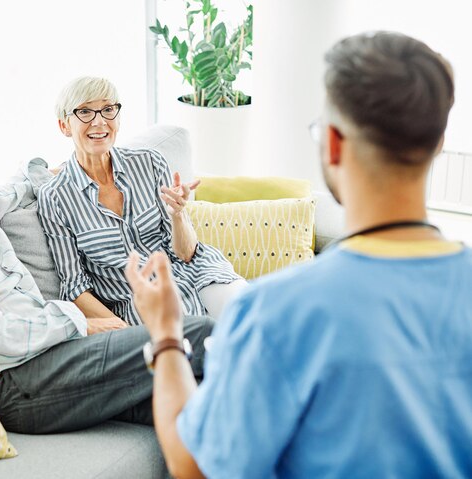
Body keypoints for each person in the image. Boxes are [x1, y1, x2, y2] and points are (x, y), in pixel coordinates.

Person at [125, 31, 472, 478]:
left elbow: (193, 465)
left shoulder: (275, 312)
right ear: (439, 141)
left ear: (332, 143)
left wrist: (167, 336)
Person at [0, 104, 214, 434]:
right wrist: (82, 323)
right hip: (18, 382)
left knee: (197, 400)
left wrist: (70, 173)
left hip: (54, 355)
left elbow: (24, 184)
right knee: (198, 335)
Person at [37, 76, 246, 326]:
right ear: (65, 126)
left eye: (108, 109)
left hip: (200, 274)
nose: (99, 121)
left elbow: (187, 253)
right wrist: (121, 331)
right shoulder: (55, 197)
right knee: (191, 343)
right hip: (140, 299)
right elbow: (75, 288)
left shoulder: (150, 162)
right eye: (84, 112)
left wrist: (178, 215)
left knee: (253, 320)